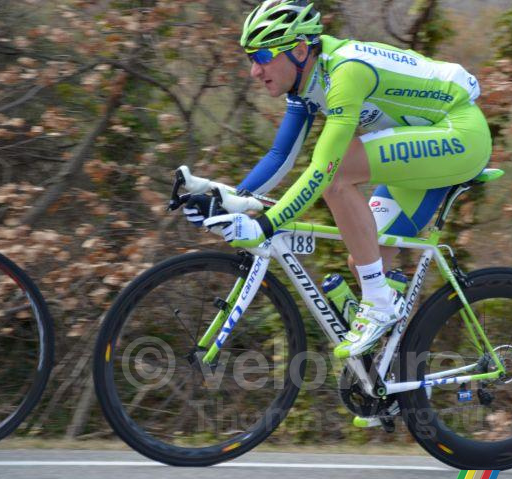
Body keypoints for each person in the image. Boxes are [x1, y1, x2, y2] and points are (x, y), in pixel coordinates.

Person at [187, 0, 492, 359]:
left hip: (460, 136)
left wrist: (265, 226)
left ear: (300, 50)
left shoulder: (346, 73)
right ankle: (387, 374)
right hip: (425, 150)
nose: (255, 70)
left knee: (338, 173)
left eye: (263, 56)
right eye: (250, 58)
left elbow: (323, 170)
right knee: (366, 256)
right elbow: (279, 157)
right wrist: (232, 198)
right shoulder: (306, 85)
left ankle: (378, 303)